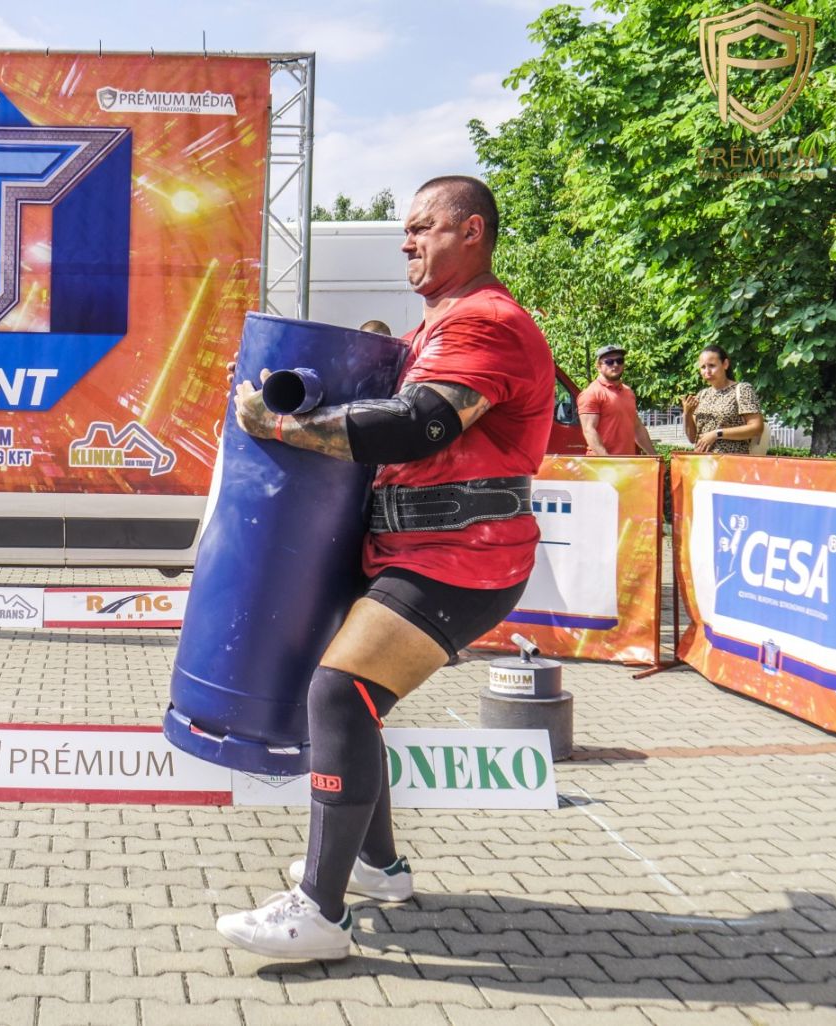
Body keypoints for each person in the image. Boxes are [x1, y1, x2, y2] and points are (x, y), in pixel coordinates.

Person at [216, 175, 555, 961]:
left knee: (339, 692)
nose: (407, 240)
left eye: (423, 226)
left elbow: (419, 424)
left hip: (461, 559)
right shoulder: (439, 325)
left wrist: (280, 428)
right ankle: (378, 866)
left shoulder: (487, 321)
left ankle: (319, 913)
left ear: (471, 232)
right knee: (355, 702)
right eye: (406, 227)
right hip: (417, 551)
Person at [681, 345, 763, 454]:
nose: (707, 371)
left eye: (712, 365)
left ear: (725, 364)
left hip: (731, 460)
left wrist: (717, 434)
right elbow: (692, 438)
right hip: (702, 461)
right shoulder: (702, 395)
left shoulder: (742, 389)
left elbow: (757, 428)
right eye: (703, 367)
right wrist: (687, 413)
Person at [577, 345, 656, 456]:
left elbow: (637, 428)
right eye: (609, 362)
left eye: (619, 361)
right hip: (601, 463)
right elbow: (589, 430)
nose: (615, 365)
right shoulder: (591, 393)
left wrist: (655, 457)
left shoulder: (628, 392)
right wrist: (609, 461)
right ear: (598, 366)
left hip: (627, 462)